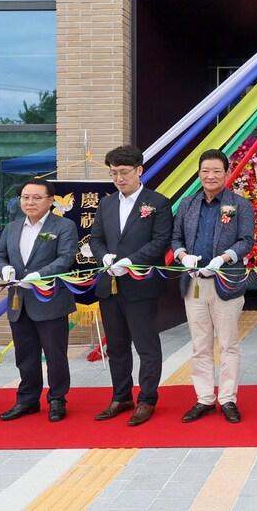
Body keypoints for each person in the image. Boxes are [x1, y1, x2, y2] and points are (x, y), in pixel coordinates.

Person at [89, 145, 174, 426]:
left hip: (140, 285)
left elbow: (160, 242)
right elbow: (96, 238)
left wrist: (130, 261)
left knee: (146, 345)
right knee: (116, 345)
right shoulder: (106, 203)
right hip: (109, 284)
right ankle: (121, 395)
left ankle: (147, 398)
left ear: (139, 170)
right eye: (113, 173)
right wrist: (104, 257)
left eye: (124, 172)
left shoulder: (158, 203)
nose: (119, 179)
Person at [171, 149, 255, 424]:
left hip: (226, 282)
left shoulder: (239, 204)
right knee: (200, 344)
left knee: (229, 343)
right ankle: (204, 398)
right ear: (199, 173)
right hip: (194, 283)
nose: (210, 176)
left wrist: (223, 258)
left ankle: (228, 398)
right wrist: (183, 255)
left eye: (216, 171)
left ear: (227, 173)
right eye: (205, 171)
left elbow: (246, 240)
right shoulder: (187, 204)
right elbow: (175, 238)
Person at [0, 179, 78, 422]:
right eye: (25, 197)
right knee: (25, 354)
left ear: (51, 201)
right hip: (19, 301)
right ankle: (27, 399)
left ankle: (58, 399)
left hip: (50, 299)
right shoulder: (12, 227)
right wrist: (4, 269)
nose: (30, 202)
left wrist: (40, 275)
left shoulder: (63, 226)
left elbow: (66, 258)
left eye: (36, 197)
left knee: (55, 355)